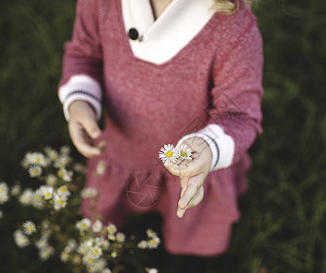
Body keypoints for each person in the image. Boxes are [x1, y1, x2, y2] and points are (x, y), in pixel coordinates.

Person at [58, 0, 263, 256]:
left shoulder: (232, 26)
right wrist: (80, 101)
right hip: (120, 149)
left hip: (189, 165)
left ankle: (187, 262)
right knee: (101, 226)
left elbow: (239, 115)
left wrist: (209, 147)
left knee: (188, 231)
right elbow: (84, 54)